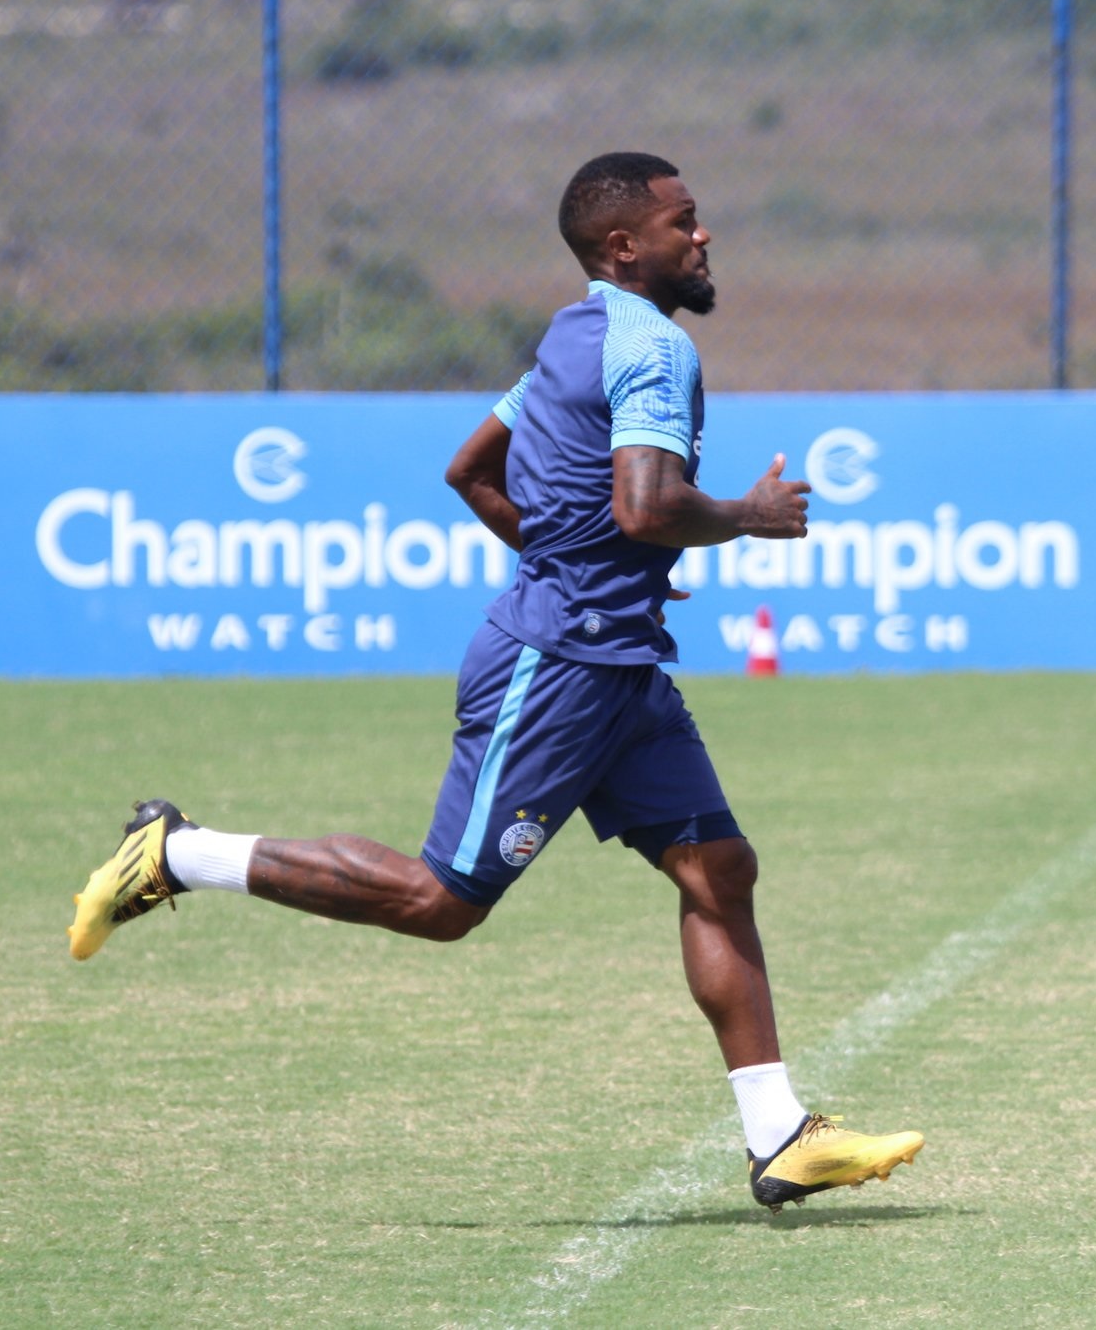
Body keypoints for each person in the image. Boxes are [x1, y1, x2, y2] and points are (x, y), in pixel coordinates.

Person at [66, 151, 923, 1214]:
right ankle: (178, 853)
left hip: (619, 661)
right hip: (560, 668)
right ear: (624, 247)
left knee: (718, 869)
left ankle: (780, 1135)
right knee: (440, 902)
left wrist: (590, 570)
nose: (703, 237)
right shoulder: (652, 346)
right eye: (684, 222)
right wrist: (744, 516)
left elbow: (469, 469)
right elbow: (646, 507)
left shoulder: (574, 333)